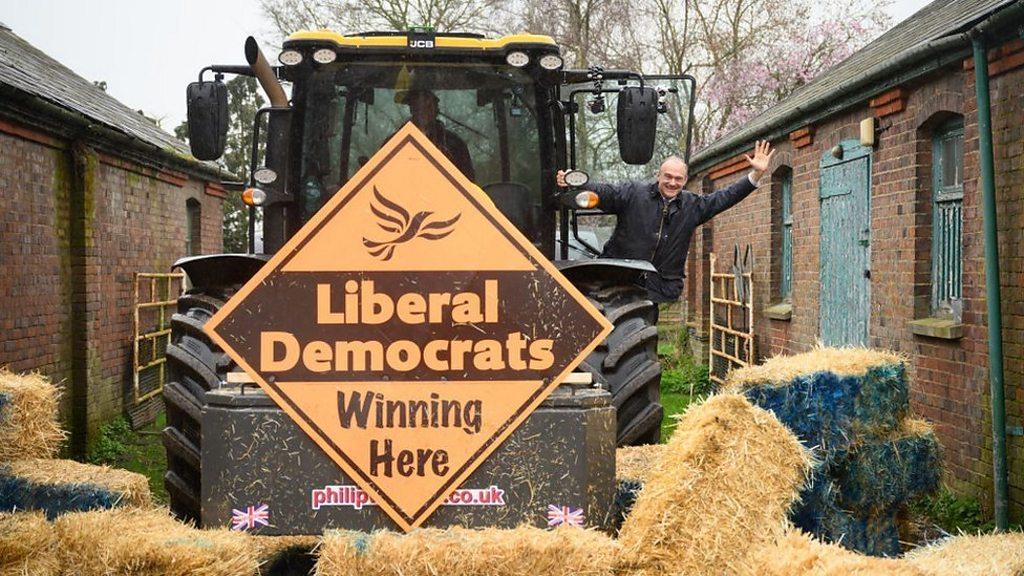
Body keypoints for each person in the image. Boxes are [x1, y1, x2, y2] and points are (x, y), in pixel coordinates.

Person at [556, 140, 775, 304]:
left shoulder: (693, 206)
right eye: (668, 177)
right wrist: (575, 185)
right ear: (658, 175)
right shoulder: (634, 194)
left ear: (685, 180)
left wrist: (755, 175)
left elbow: (725, 197)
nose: (672, 182)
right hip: (618, 278)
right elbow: (606, 192)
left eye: (678, 178)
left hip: (658, 286)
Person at [405, 89, 476, 180]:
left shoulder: (454, 145)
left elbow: (468, 185)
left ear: (436, 110)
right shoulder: (393, 145)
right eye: (419, 106)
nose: (424, 111)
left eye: (429, 106)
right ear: (412, 109)